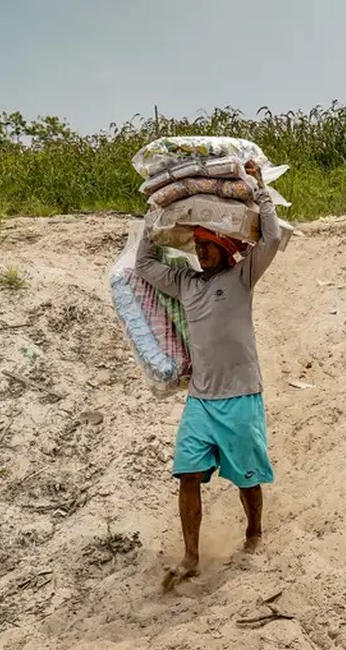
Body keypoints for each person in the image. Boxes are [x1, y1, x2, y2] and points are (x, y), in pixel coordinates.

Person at [134, 161, 282, 592]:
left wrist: (258, 191)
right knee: (188, 475)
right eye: (196, 247)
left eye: (207, 246)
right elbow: (144, 264)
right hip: (200, 400)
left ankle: (254, 532)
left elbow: (271, 237)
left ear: (223, 244)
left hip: (241, 396)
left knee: (248, 477)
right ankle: (192, 556)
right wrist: (151, 218)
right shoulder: (186, 283)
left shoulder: (242, 276)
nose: (200, 254)